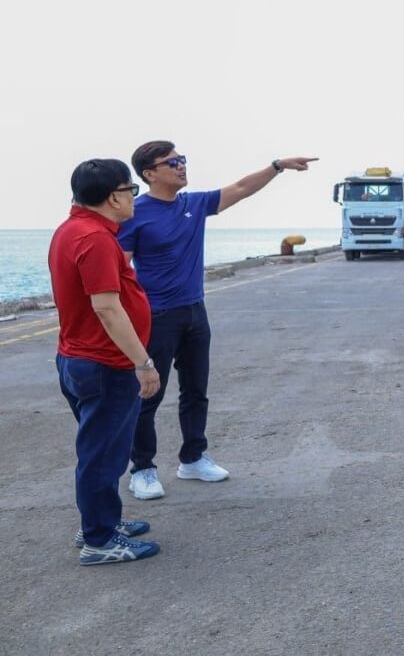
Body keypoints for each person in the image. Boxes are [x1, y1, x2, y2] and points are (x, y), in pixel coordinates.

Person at [119, 142, 317, 500]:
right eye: (173, 162)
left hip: (195, 311)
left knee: (196, 391)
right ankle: (143, 469)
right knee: (149, 393)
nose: (181, 166)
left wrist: (276, 166)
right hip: (156, 317)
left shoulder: (193, 204)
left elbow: (241, 188)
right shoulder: (136, 214)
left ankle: (193, 458)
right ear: (150, 173)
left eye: (183, 160)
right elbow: (119, 271)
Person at [49, 159, 162, 565]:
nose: (134, 197)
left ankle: (103, 521)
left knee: (102, 449)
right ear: (115, 196)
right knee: (102, 455)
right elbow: (107, 307)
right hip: (104, 363)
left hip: (78, 358)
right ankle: (99, 539)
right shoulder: (94, 238)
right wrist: (143, 363)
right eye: (131, 190)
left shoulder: (71, 229)